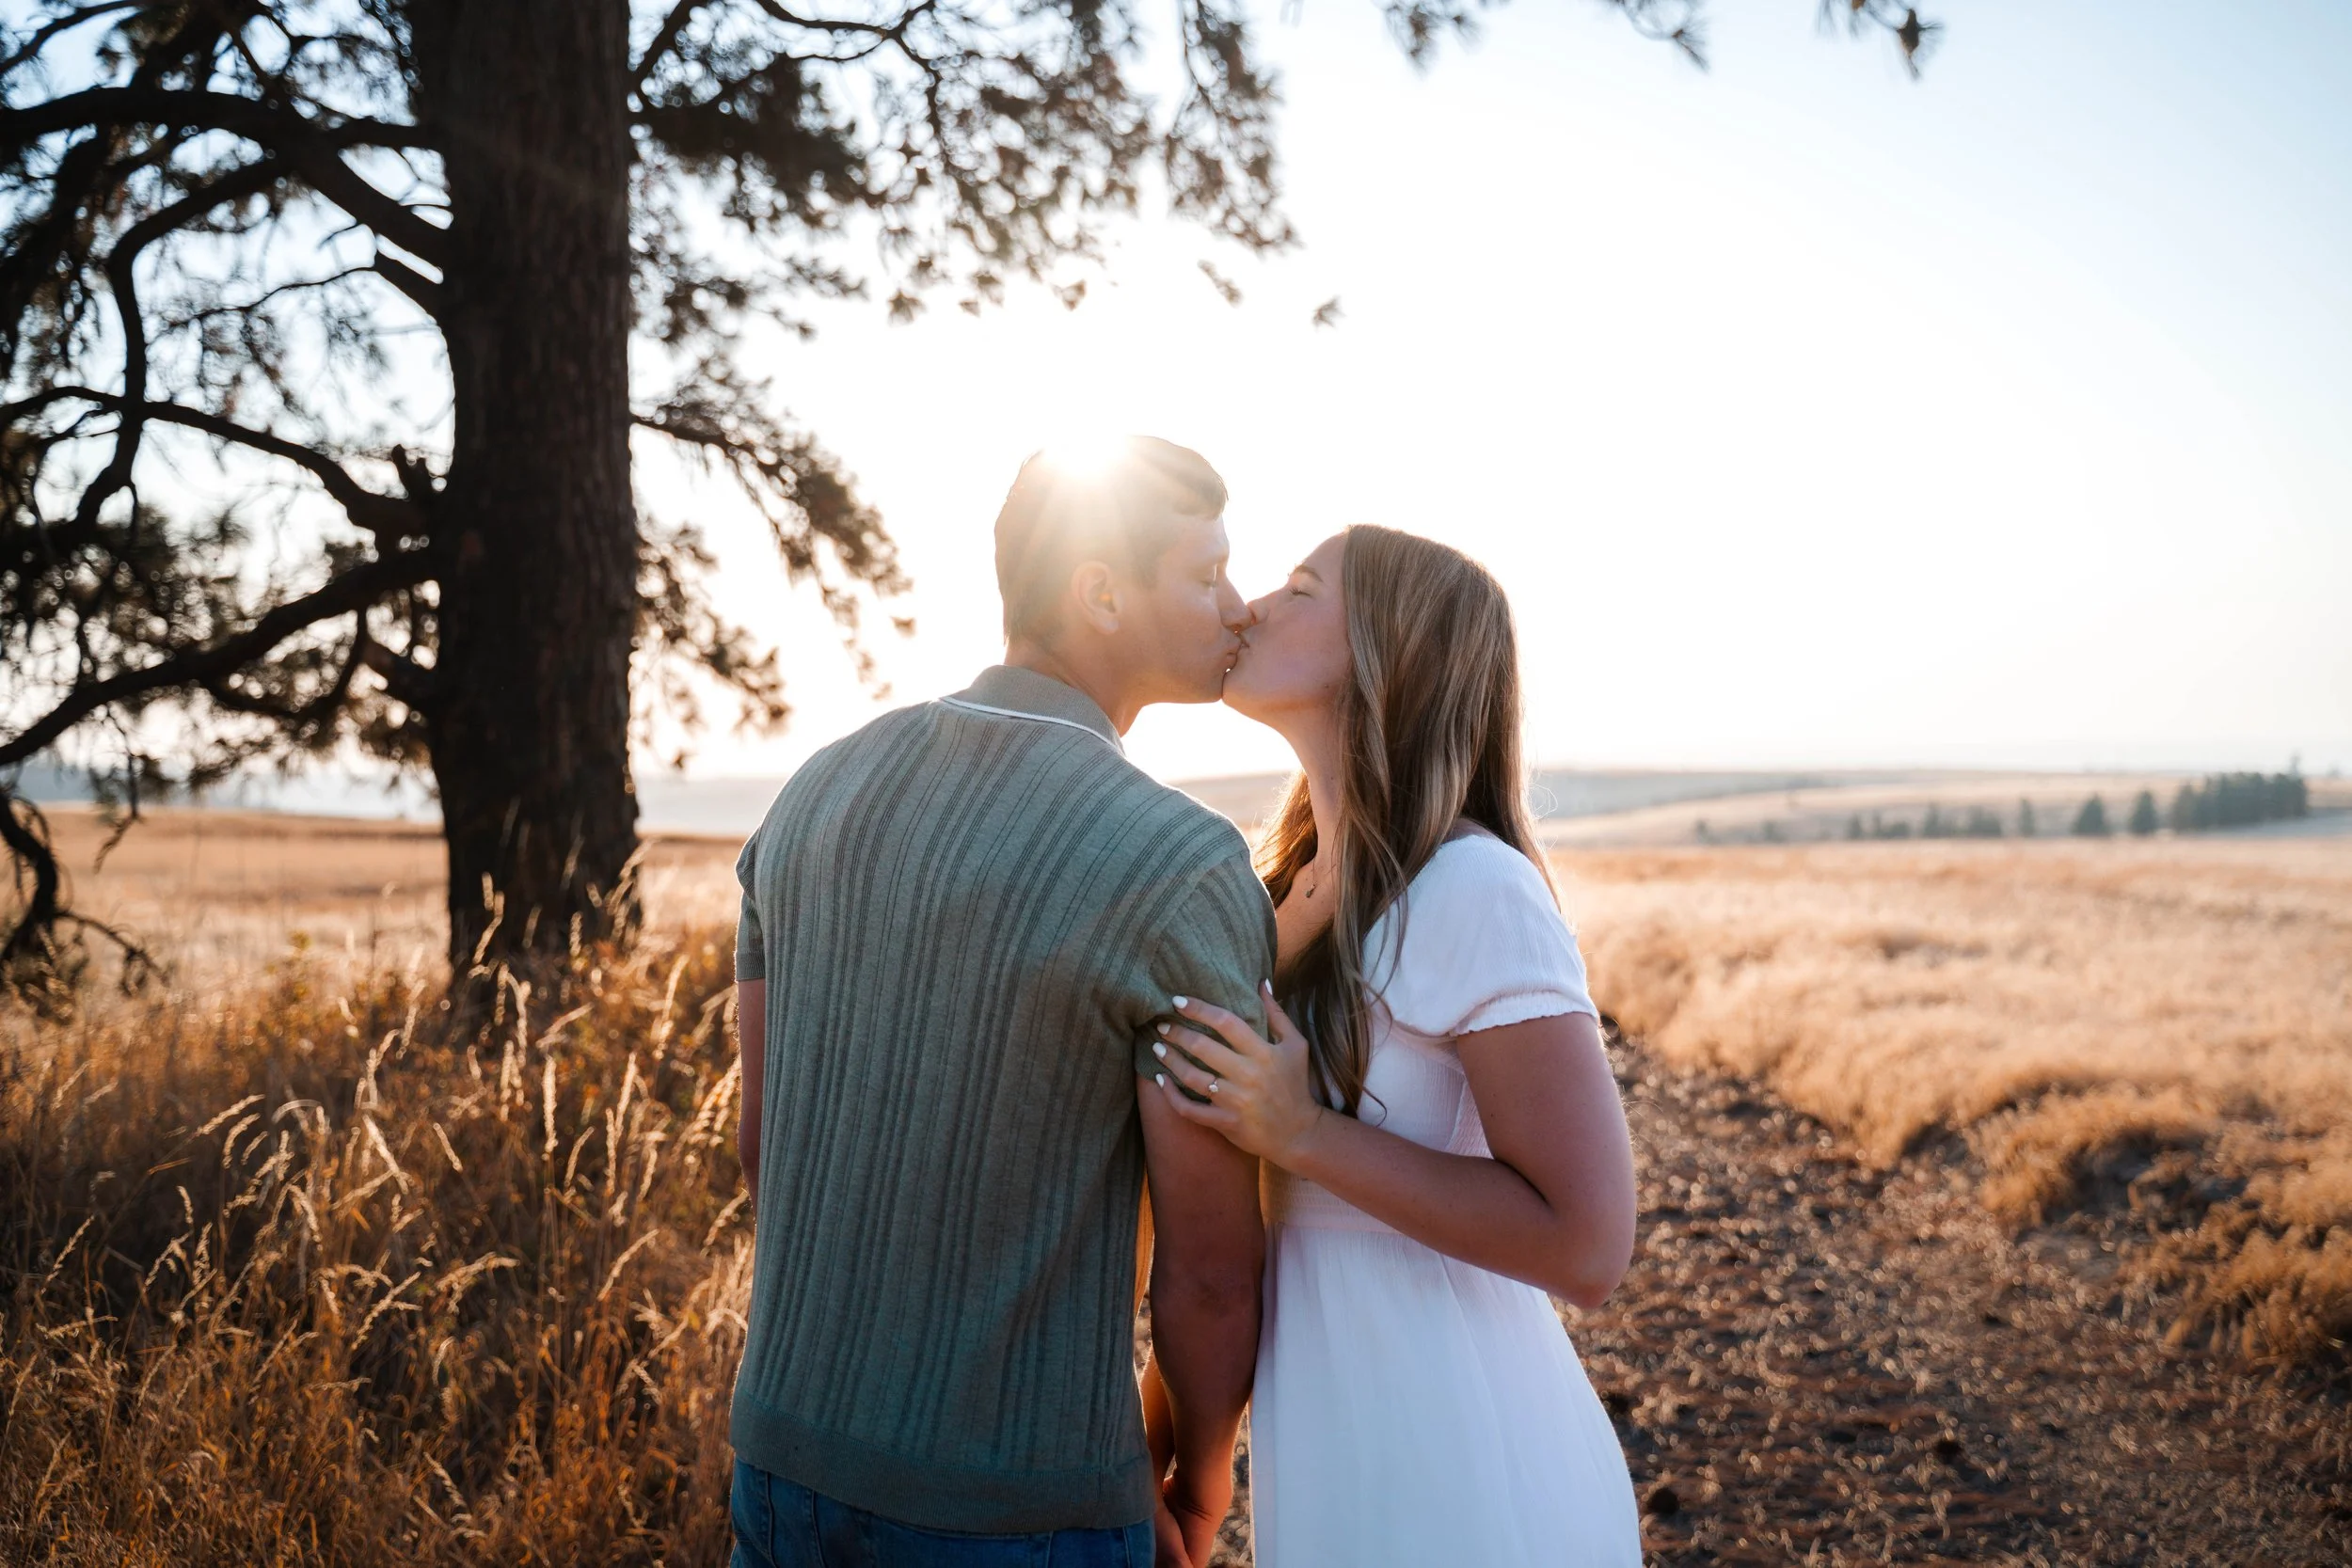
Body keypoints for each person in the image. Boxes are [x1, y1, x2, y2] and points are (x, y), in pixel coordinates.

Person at [728, 437, 1274, 1568]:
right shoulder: (1177, 860)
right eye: (1206, 573)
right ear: (1101, 592)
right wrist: (1199, 1487)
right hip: (1021, 1510)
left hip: (780, 1461)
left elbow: (762, 1145)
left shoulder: (812, 793)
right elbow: (1211, 1274)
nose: (1239, 605)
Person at [1145, 525, 1645, 1565]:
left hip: (1458, 1451)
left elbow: (1587, 1243)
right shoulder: (1278, 892)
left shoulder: (1472, 887)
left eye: (1297, 588)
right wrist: (1180, 1447)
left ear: (1385, 652)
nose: (1249, 608)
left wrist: (1303, 1132)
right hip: (1328, 1438)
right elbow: (1231, 1236)